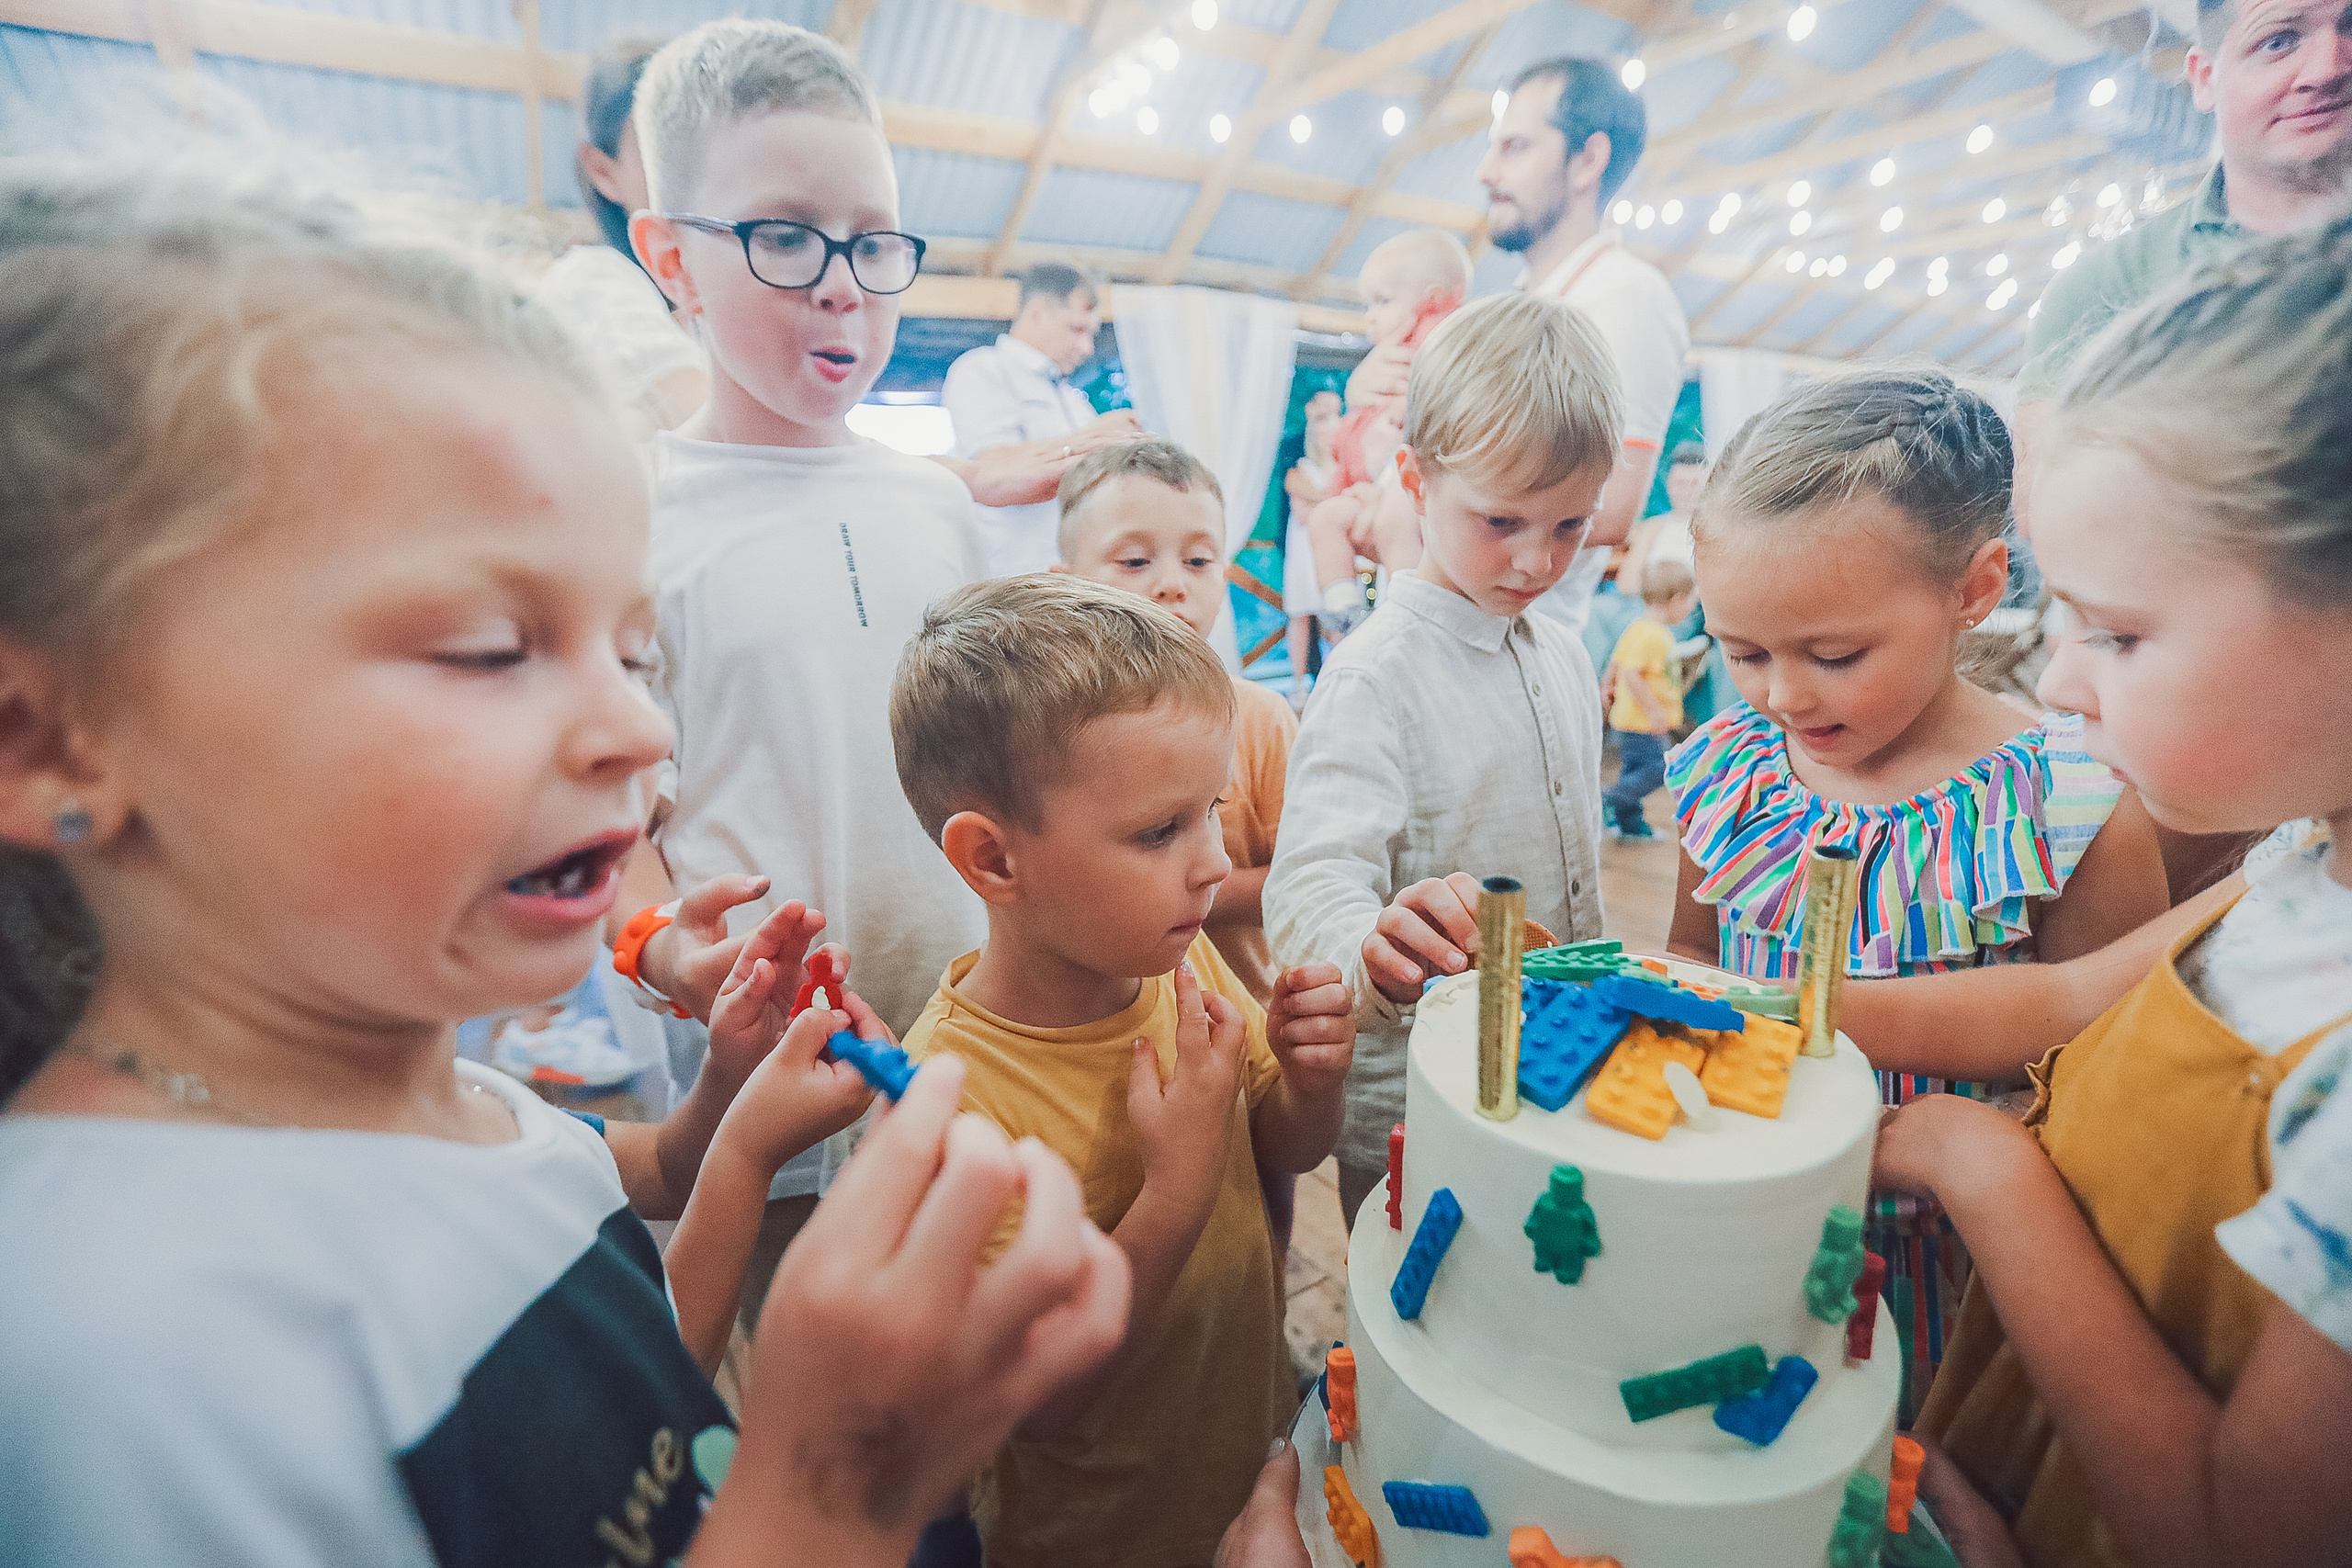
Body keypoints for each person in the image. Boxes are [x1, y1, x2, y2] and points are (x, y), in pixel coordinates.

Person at [0, 152, 1129, 1568]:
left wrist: (731, 1109)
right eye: (487, 646)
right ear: (51, 739)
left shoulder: (455, 1094)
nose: (637, 723)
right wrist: (836, 1494)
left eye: (633, 647)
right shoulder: (114, 1356)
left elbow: (615, 1307)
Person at [1882, 213, 2352, 1568]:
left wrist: (1980, 1163)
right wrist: (1761, 1003)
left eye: (2119, 632)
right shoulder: (2297, 862)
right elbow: (2072, 993)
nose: (2063, 680)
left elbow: (2232, 1525)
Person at [1661, 366, 2173, 1416]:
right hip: (1737, 1236)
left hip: (1953, 1274)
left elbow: (2107, 1093)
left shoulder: (2068, 810)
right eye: (1742, 652)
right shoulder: (1727, 772)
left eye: (1836, 654)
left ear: (1975, 590)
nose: (1784, 695)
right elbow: (1691, 979)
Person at [620, 20, 989, 1324]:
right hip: (768, 1105)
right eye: (785, 237)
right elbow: (620, 823)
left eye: (874, 241)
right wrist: (669, 950)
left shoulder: (939, 507)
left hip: (969, 1053)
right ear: (673, 257)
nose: (845, 286)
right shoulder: (638, 521)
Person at [888, 574, 1354, 1566]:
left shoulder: (1173, 954)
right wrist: (1176, 1186)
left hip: (1238, 1451)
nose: (1213, 864)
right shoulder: (944, 1101)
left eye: (1210, 812)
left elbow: (1282, 1138)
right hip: (1098, 1534)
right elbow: (1040, 1402)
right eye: (1158, 832)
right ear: (994, 862)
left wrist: (1312, 1083)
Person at [1268, 291, 1619, 1225]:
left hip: (1562, 1063)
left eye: (1569, 526)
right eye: (1501, 522)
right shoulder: (1371, 679)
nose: (1538, 560)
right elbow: (1309, 886)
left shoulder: (1566, 653)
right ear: (1415, 484)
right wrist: (1367, 949)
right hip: (1421, 1106)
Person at [2016, 0, 2352, 907]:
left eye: (2349, 26)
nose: (2326, 62)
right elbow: (2059, 521)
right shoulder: (2112, 281)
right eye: (2279, 38)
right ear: (2204, 75)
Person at [1049, 435, 1306, 1271]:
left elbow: (1301, 879)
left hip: (1244, 1037)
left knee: (1257, 1226)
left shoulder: (1261, 720)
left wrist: (1166, 886)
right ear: (1063, 584)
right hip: (1095, 1046)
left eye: (1200, 559)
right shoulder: (1047, 738)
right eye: (1133, 559)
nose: (1172, 582)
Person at [1474, 56, 1691, 640]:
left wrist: (1427, 503)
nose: (1485, 170)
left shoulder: (1624, 296)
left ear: (1587, 161)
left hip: (1523, 648)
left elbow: (1614, 502)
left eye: (1514, 147)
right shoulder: (1512, 301)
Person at [537, 35, 711, 438]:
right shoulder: (593, 283)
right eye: (668, 148)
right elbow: (705, 425)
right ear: (603, 172)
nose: (701, 171)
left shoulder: (694, 305)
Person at [1301, 229, 1472, 633]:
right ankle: (1342, 606)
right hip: (1371, 485)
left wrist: (1405, 402)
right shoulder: (1382, 359)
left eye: (1383, 300)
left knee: (1395, 524)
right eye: (1368, 304)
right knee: (1325, 518)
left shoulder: (1444, 338)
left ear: (1431, 298)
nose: (1371, 316)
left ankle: (1409, 613)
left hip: (1412, 482)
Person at [942, 262, 1148, 577]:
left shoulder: (1072, 400)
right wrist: (1096, 438)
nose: (1086, 348)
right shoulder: (982, 370)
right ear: (1037, 313)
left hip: (1075, 581)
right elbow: (993, 471)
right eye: (1076, 329)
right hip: (1010, 581)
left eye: (1091, 334)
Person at [1600, 558, 1697, 840]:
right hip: (1642, 723)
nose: (1691, 607)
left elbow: (1618, 661)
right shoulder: (1654, 636)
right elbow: (1631, 673)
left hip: (1630, 721)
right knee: (1656, 769)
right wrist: (1655, 712)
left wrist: (1606, 684)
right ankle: (1609, 799)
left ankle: (1630, 826)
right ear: (1677, 599)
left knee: (1634, 770)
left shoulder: (1638, 628)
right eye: (1690, 600)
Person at [1282, 387, 1343, 702]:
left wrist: (1318, 499)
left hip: (1329, 551)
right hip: (1304, 552)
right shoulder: (1302, 467)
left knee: (1335, 615)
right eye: (1320, 432)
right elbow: (1303, 515)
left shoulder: (1340, 472)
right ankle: (1297, 685)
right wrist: (1332, 501)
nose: (1325, 438)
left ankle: (1339, 677)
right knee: (1301, 615)